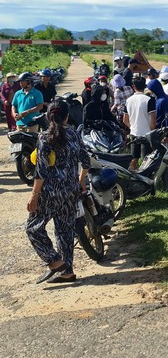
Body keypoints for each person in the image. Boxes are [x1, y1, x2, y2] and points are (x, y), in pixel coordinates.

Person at [26, 99, 90, 283]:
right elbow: (85, 160)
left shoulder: (45, 138)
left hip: (50, 194)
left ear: (47, 116)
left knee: (32, 228)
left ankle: (54, 261)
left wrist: (34, 196)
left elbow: (41, 171)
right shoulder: (74, 134)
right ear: (67, 116)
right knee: (65, 231)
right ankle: (67, 271)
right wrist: (80, 180)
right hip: (71, 191)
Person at [124, 77, 157, 169]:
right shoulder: (149, 100)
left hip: (133, 133)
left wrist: (132, 127)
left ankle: (131, 176)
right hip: (146, 134)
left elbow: (125, 120)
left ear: (133, 86)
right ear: (145, 86)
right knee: (146, 160)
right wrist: (152, 131)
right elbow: (153, 120)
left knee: (133, 158)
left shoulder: (128, 100)